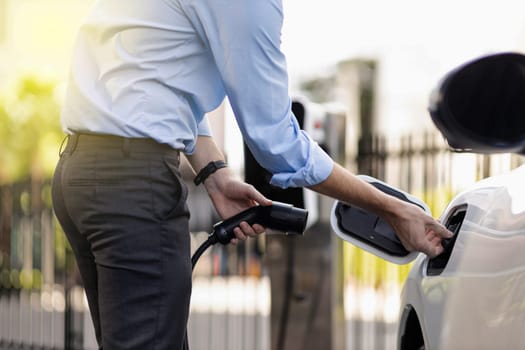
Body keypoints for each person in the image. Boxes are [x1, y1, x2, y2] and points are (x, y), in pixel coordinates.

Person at [51, 1, 452, 349]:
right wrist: (392, 209)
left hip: (81, 171)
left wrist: (214, 173)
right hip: (131, 185)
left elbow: (155, 85)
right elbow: (277, 143)